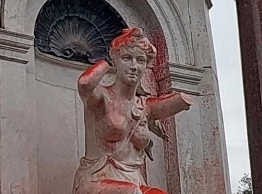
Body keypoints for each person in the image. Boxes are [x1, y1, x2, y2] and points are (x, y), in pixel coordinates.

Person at [74, 28, 193, 194]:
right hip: (97, 179)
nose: (134, 66)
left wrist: (185, 98)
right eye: (127, 58)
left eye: (140, 60)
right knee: (130, 192)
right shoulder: (101, 97)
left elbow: (176, 102)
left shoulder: (145, 106)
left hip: (134, 182)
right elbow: (85, 84)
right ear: (116, 59)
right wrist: (105, 63)